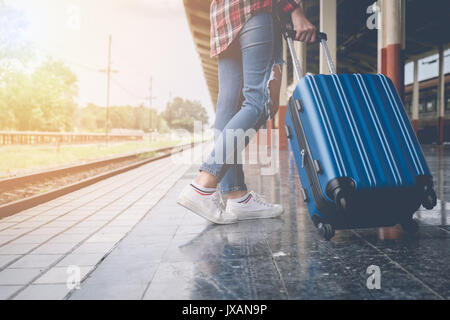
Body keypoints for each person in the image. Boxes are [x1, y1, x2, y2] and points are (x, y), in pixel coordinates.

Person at [178, 0, 316, 224]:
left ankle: (236, 196)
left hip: (223, 16)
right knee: (259, 102)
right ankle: (203, 186)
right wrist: (294, 9)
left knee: (228, 110)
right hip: (255, 8)